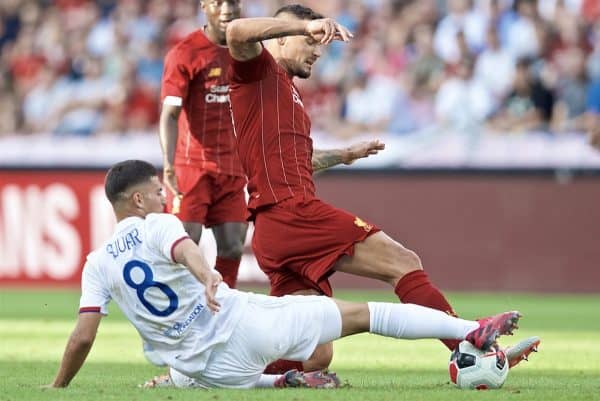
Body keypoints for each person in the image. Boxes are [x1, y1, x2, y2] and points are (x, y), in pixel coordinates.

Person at [224, 4, 540, 374]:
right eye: (308, 41)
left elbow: (296, 159)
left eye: (318, 42)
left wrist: (342, 154)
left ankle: (207, 371)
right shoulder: (258, 72)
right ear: (278, 39)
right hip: (291, 212)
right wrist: (305, 25)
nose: (317, 50)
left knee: (313, 354)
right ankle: (473, 340)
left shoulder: (282, 94)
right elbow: (235, 33)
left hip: (274, 228)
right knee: (402, 262)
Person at [48, 160, 527, 390]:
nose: (164, 199)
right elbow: (183, 248)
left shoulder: (96, 263)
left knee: (220, 367)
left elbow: (81, 338)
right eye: (157, 192)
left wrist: (59, 386)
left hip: (209, 372)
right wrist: (208, 275)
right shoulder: (158, 225)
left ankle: (278, 384)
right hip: (239, 329)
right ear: (137, 201)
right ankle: (471, 329)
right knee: (363, 314)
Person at [159, 0, 247, 289]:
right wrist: (169, 164)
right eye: (217, 3)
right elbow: (169, 115)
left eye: (232, 2)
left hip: (232, 167)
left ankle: (222, 313)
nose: (226, 10)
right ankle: (173, 317)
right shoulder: (185, 53)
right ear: (204, 6)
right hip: (191, 166)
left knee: (233, 247)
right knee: (185, 244)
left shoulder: (249, 51)